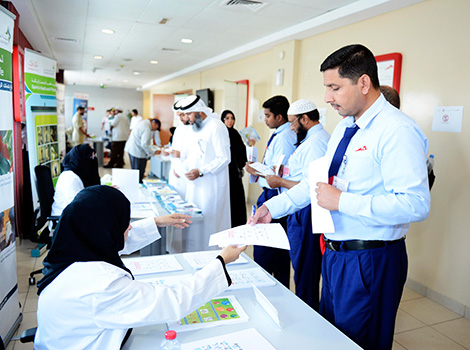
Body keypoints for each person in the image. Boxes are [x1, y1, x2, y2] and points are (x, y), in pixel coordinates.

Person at [250, 44, 430, 350]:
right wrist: (272, 206)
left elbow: (416, 203)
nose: (327, 98)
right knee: (333, 337)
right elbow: (314, 183)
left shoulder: (396, 130)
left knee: (360, 340)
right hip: (336, 255)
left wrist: (342, 201)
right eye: (326, 88)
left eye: (334, 88)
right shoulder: (347, 126)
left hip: (369, 259)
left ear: (363, 82)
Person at [34, 185, 246, 349]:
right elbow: (171, 301)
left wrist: (157, 222)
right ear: (107, 231)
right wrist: (220, 262)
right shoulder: (101, 285)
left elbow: (115, 241)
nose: (129, 228)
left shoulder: (72, 249)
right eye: (124, 224)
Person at [263, 99, 330, 310]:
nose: (291, 128)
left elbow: (311, 186)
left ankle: (307, 312)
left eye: (293, 123)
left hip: (306, 210)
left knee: (305, 269)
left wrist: (281, 182)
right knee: (300, 265)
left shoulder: (316, 143)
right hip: (297, 207)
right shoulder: (311, 139)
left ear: (305, 119)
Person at [244, 95, 296, 289]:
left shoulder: (284, 138)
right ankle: (276, 288)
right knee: (276, 251)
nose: (265, 120)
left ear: (280, 117)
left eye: (268, 116)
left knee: (267, 250)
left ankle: (267, 288)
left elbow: (277, 173)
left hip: (275, 195)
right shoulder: (280, 135)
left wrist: (256, 170)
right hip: (269, 193)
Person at [175, 95, 231, 252]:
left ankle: (210, 256)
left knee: (209, 222)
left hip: (210, 186)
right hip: (195, 183)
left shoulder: (216, 127)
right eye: (184, 115)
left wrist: (201, 171)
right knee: (195, 220)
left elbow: (224, 158)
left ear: (198, 111)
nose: (187, 119)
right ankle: (194, 253)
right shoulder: (195, 128)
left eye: (189, 114)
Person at [51, 144, 101, 216]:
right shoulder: (69, 178)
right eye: (90, 157)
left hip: (74, 215)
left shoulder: (79, 174)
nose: (93, 161)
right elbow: (79, 205)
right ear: (80, 159)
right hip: (65, 219)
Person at [221, 110, 248, 227]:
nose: (230, 121)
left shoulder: (235, 133)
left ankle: (237, 224)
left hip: (235, 173)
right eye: (227, 118)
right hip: (225, 172)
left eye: (232, 118)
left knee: (237, 199)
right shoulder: (221, 134)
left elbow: (242, 153)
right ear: (222, 120)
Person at [124, 118, 161, 183]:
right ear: (154, 124)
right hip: (137, 152)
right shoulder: (147, 128)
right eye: (156, 128)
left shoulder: (143, 123)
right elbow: (144, 144)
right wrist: (153, 152)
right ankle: (138, 186)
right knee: (138, 174)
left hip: (132, 149)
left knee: (135, 172)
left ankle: (137, 183)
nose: (155, 130)